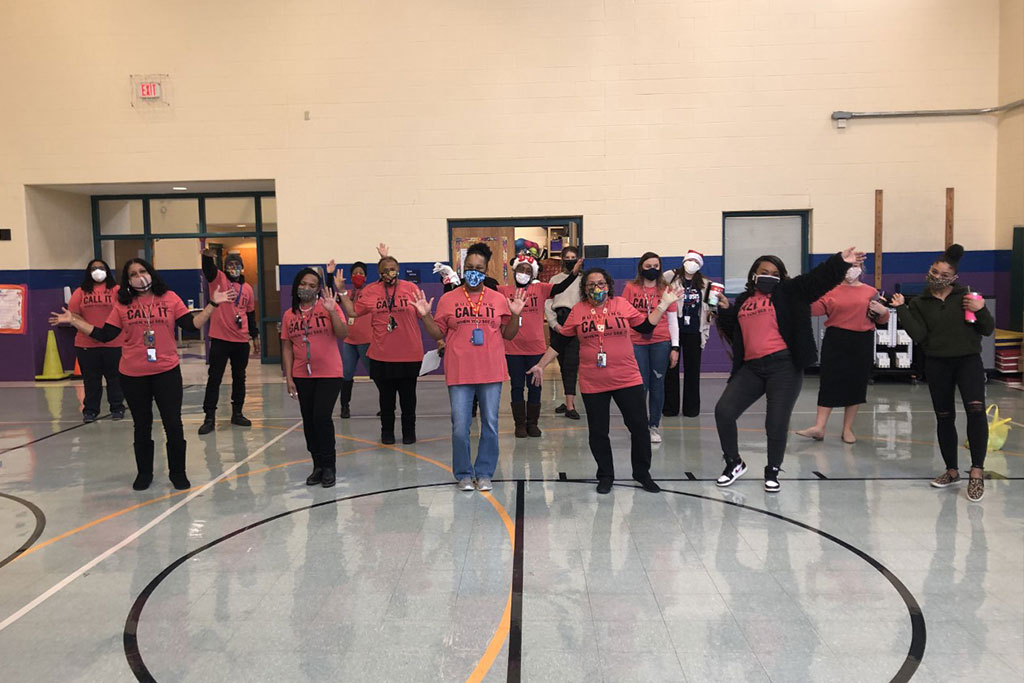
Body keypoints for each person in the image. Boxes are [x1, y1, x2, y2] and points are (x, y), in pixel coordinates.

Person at [51, 258, 233, 490]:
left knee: (173, 424)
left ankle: (178, 473)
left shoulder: (169, 298)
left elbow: (192, 324)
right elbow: (105, 334)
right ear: (128, 281)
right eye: (133, 274)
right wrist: (75, 321)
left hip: (166, 371)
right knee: (142, 425)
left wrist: (212, 304)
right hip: (133, 373)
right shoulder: (122, 305)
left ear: (151, 273)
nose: (139, 276)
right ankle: (144, 473)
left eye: (142, 271)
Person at [714, 246, 865, 492]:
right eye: (764, 271)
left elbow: (816, 281)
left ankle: (772, 469)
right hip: (752, 368)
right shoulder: (744, 301)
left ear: (781, 277)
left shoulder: (789, 293)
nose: (769, 276)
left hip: (783, 367)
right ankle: (734, 463)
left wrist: (840, 262)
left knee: (775, 422)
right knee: (724, 411)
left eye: (775, 273)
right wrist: (726, 312)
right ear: (754, 274)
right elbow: (737, 333)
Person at [527, 267, 682, 494]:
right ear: (584, 289)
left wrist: (663, 304)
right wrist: (540, 365)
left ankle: (642, 474)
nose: (596, 288)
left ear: (608, 286)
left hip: (627, 378)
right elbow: (559, 343)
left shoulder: (621, 304)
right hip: (593, 381)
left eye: (600, 283)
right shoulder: (578, 311)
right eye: (591, 284)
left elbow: (646, 327)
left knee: (639, 428)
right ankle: (606, 475)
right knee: (599, 432)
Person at [417, 242, 525, 491]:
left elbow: (508, 335)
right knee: (460, 427)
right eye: (469, 267)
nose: (474, 272)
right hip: (459, 372)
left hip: (491, 371)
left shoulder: (498, 299)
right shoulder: (448, 299)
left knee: (490, 424)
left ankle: (485, 472)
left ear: (486, 271)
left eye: (479, 268)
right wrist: (425, 316)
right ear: (462, 269)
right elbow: (438, 333)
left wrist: (517, 314)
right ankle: (464, 474)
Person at [890, 244, 993, 502]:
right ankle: (951, 470)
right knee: (944, 416)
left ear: (954, 277)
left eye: (943, 274)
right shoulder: (920, 303)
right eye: (934, 271)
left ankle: (976, 471)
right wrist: (902, 308)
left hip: (968, 361)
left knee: (976, 409)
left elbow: (988, 329)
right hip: (937, 364)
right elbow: (919, 335)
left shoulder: (967, 297)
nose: (937, 277)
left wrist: (980, 309)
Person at [341, 249, 429, 445]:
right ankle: (387, 433)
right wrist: (341, 292)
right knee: (386, 401)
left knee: (408, 400)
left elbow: (424, 315)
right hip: (381, 355)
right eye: (385, 270)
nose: (389, 273)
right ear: (379, 273)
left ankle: (409, 433)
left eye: (392, 269)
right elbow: (353, 312)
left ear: (398, 270)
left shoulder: (410, 288)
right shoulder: (371, 290)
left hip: (409, 354)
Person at [795, 265, 890, 444]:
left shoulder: (870, 291)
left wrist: (883, 312)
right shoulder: (831, 290)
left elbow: (881, 319)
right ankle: (819, 426)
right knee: (829, 381)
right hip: (836, 338)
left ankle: (847, 429)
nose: (850, 270)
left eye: (855, 266)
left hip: (862, 340)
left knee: (856, 383)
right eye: (847, 266)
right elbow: (814, 309)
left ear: (862, 269)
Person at [498, 252, 582, 437]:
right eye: (521, 269)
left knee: (536, 386)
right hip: (512, 349)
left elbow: (561, 287)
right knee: (517, 386)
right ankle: (519, 424)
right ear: (514, 270)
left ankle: (532, 423)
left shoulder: (541, 289)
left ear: (533, 274)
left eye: (528, 270)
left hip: (536, 349)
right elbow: (485, 287)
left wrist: (574, 274)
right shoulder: (504, 291)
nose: (524, 272)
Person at [281, 268, 348, 488]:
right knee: (308, 421)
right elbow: (287, 347)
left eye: (312, 285)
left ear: (318, 289)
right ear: (296, 286)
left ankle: (329, 466)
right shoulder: (289, 314)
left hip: (329, 373)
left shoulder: (328, 305)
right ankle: (317, 465)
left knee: (321, 417)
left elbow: (342, 333)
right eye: (303, 284)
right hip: (302, 374)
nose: (307, 288)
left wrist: (331, 312)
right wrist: (289, 376)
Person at [198, 250, 260, 434]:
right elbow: (208, 269)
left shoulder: (247, 288)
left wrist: (254, 336)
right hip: (220, 339)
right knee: (214, 378)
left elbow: (250, 314)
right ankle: (209, 417)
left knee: (239, 377)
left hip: (241, 340)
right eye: (230, 265)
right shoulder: (218, 280)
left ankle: (238, 412)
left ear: (242, 268)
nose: (234, 268)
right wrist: (208, 257)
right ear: (225, 268)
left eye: (237, 265)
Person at [621, 252, 678, 443]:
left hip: (661, 341)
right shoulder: (631, 287)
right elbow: (624, 317)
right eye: (648, 266)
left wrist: (675, 347)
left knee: (657, 384)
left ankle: (654, 425)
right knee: (639, 385)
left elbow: (672, 320)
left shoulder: (666, 288)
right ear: (641, 268)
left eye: (656, 266)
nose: (652, 269)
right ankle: (639, 425)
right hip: (636, 342)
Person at [67, 259, 124, 423]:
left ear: (107, 270)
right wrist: (88, 328)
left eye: (101, 268)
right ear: (88, 272)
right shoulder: (80, 292)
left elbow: (123, 312)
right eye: (94, 268)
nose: (98, 271)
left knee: (115, 378)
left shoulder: (117, 290)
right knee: (91, 380)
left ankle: (117, 408)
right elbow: (73, 314)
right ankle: (90, 410)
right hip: (86, 343)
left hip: (114, 343)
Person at [663, 250, 717, 418]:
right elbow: (659, 284)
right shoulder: (671, 278)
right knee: (671, 370)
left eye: (696, 261)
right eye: (690, 260)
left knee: (692, 371)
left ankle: (691, 409)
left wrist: (713, 312)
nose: (692, 263)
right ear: (684, 261)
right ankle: (670, 408)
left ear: (700, 265)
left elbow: (711, 306)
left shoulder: (706, 284)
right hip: (674, 331)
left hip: (694, 331)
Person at [327, 259, 371, 419]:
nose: (357, 276)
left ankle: (387, 405)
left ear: (366, 276)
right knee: (346, 375)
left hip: (367, 340)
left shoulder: (371, 292)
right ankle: (344, 406)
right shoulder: (346, 293)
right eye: (354, 273)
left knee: (376, 374)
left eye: (361, 273)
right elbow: (329, 295)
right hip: (349, 341)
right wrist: (329, 274)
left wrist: (383, 257)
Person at [544, 246, 583, 420]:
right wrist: (554, 324)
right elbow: (548, 303)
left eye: (573, 257)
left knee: (571, 365)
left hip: (575, 324)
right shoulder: (555, 279)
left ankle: (570, 405)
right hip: (558, 324)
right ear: (562, 259)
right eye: (567, 257)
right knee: (562, 365)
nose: (570, 259)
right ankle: (567, 399)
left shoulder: (583, 280)